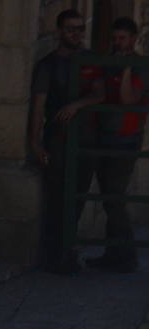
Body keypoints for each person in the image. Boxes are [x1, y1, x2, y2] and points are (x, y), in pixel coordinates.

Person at [30, 9, 105, 272]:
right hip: (59, 139)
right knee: (58, 198)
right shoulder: (48, 64)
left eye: (81, 28)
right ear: (59, 32)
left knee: (77, 197)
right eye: (71, 29)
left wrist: (77, 104)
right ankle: (55, 256)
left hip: (85, 139)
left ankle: (67, 253)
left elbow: (100, 93)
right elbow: (39, 106)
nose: (77, 34)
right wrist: (36, 142)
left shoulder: (90, 60)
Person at [89, 17, 146, 272]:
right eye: (115, 38)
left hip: (125, 140)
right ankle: (114, 254)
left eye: (122, 38)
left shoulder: (140, 67)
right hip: (105, 138)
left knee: (114, 198)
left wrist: (124, 69)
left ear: (133, 39)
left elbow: (128, 100)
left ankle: (126, 255)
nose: (117, 43)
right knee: (109, 198)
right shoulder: (107, 62)